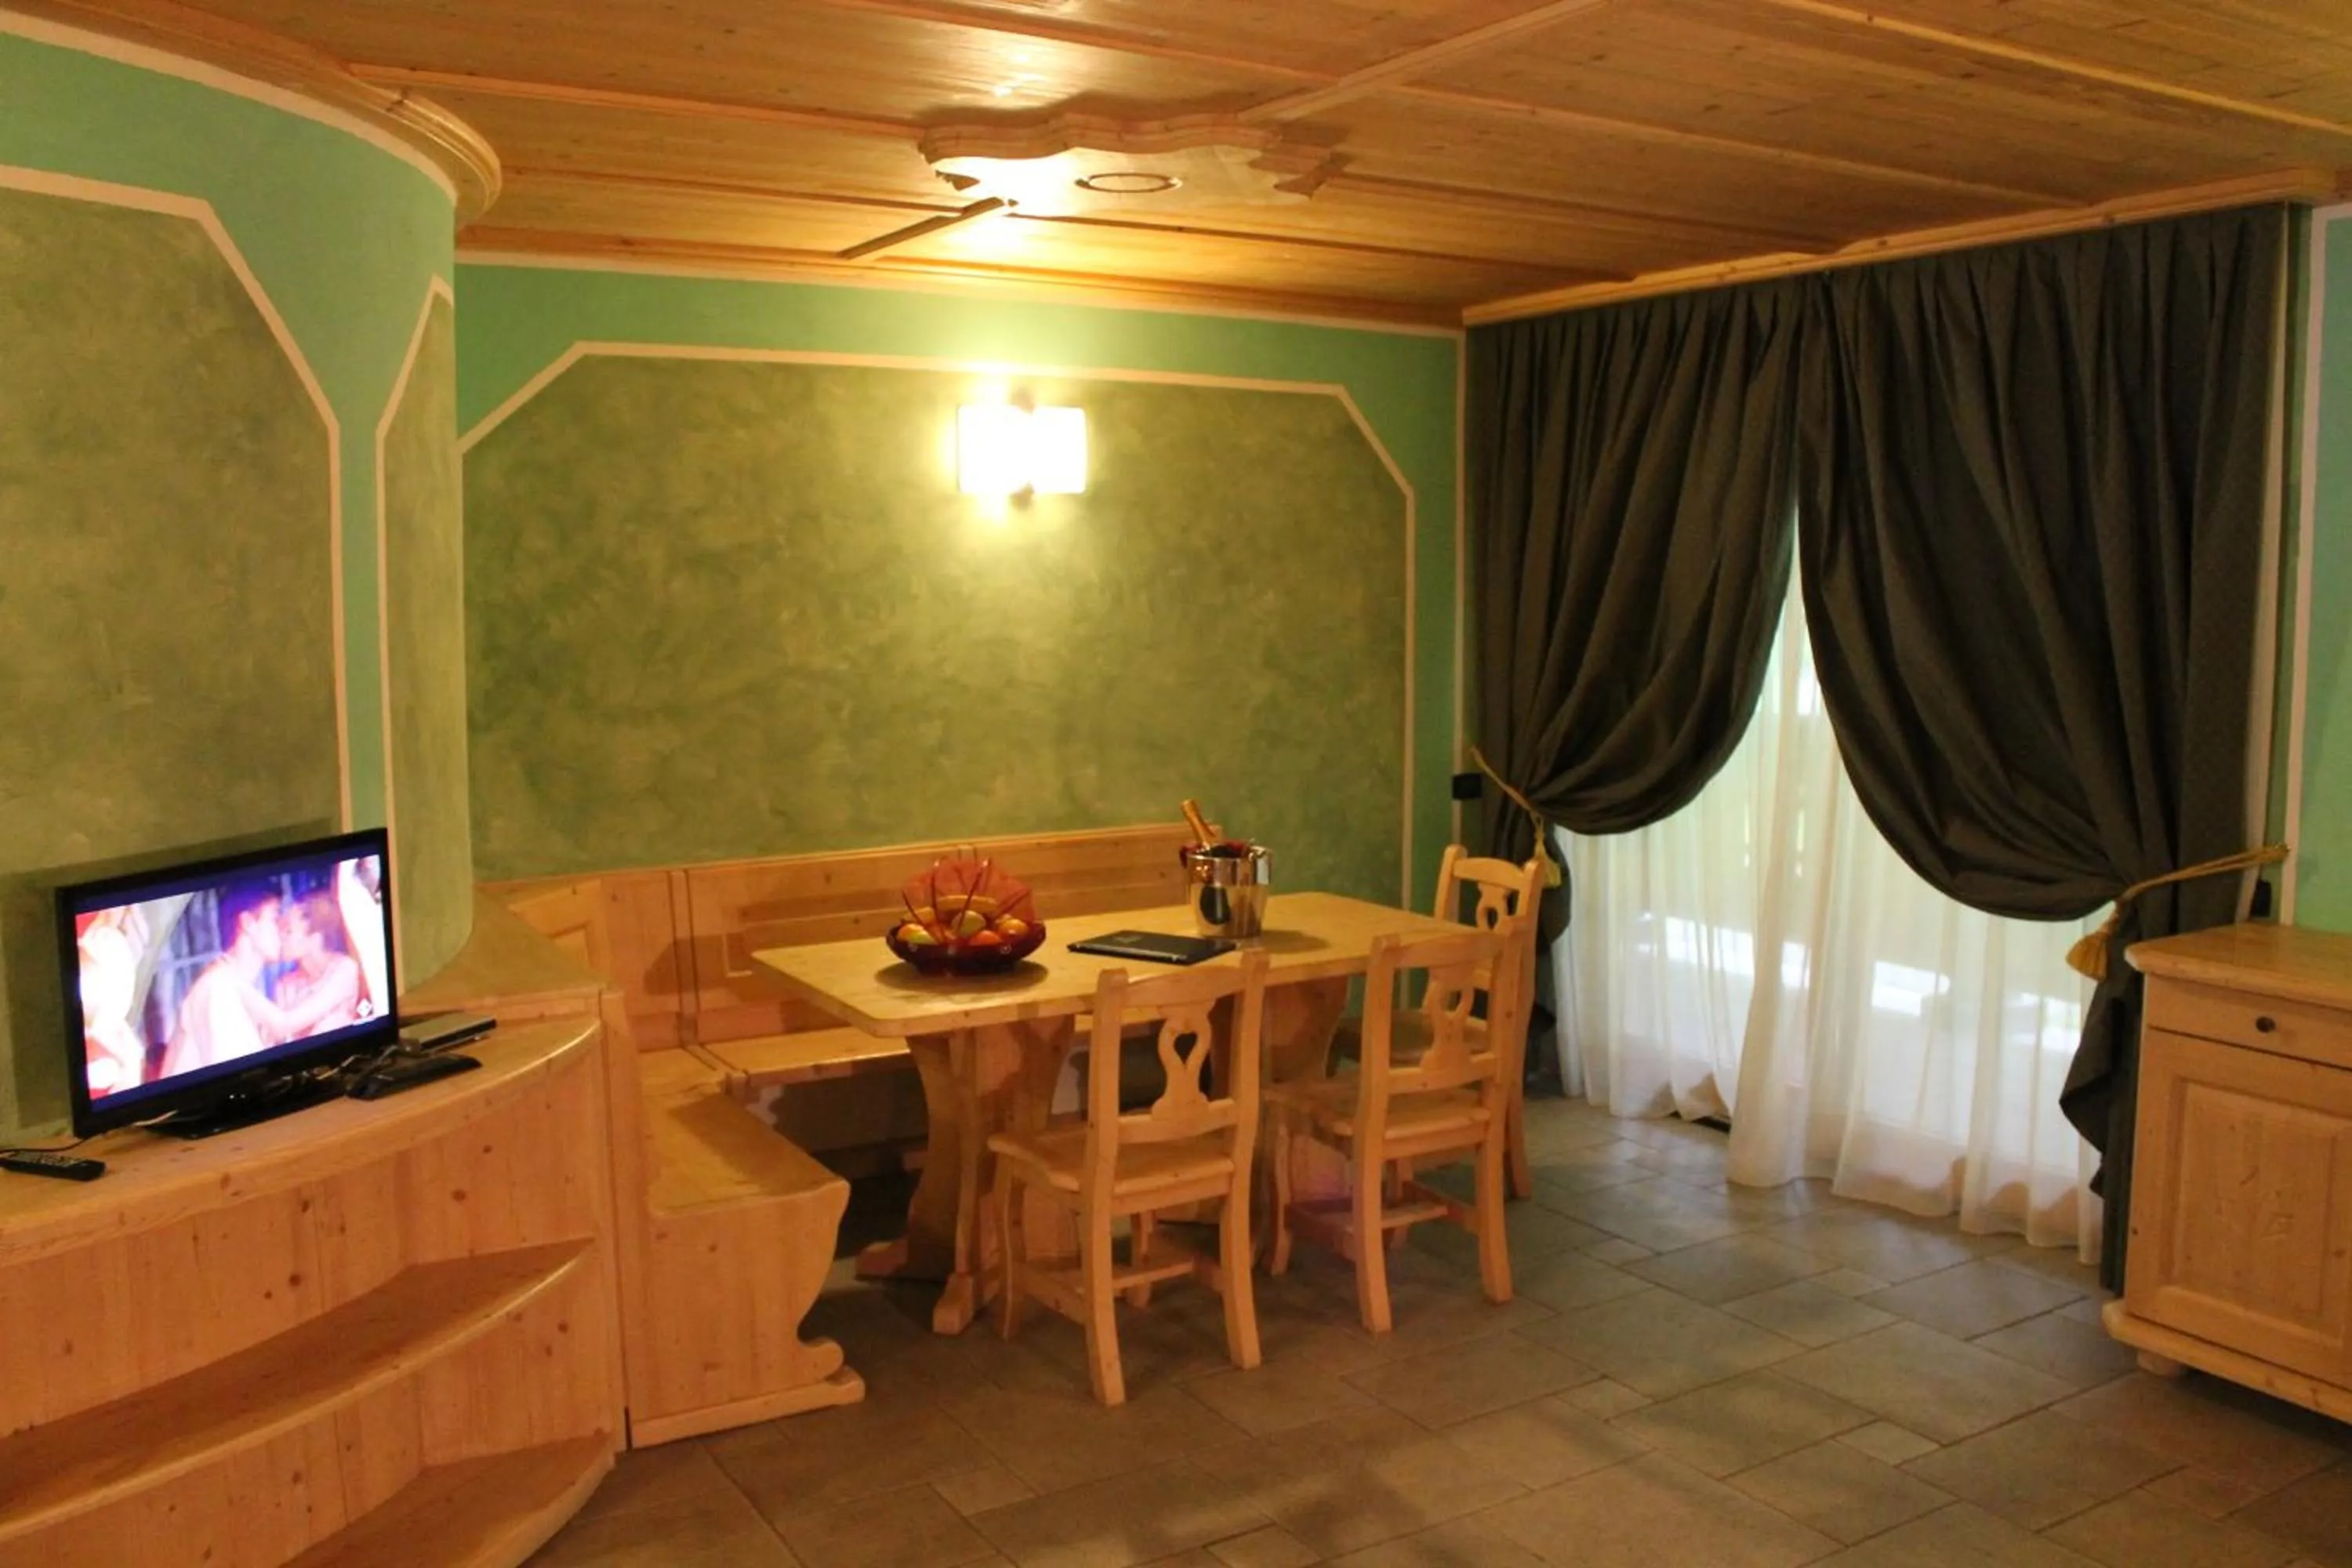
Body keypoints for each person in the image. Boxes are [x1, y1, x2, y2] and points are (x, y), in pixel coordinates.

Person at [276, 890, 362, 1036]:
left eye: (289, 931)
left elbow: (288, 1023)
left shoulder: (344, 969)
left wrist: (240, 986)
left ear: (315, 936)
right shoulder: (286, 983)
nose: (281, 936)